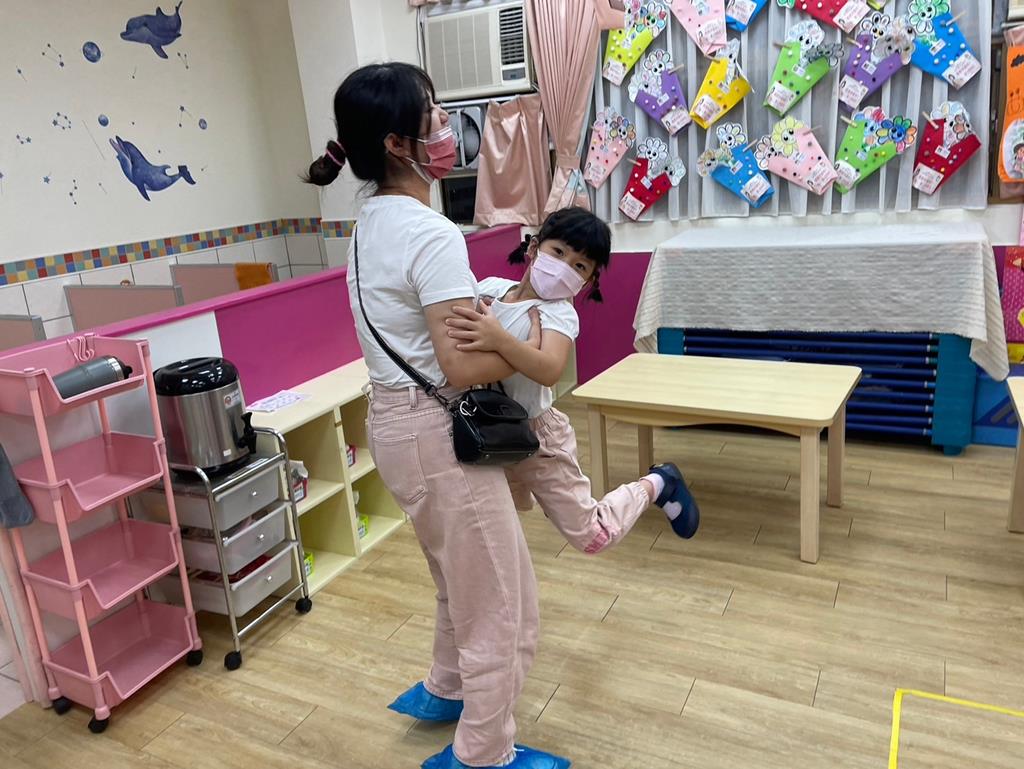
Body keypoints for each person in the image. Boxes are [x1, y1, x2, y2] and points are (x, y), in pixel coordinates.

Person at [304, 62, 565, 769]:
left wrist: (484, 322)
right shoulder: (430, 231)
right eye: (436, 116)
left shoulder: (368, 222)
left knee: (459, 578)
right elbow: (459, 366)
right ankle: (483, 752)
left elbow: (420, 331)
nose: (451, 127)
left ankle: (447, 687)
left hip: (393, 427)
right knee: (503, 604)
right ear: (397, 143)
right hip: (438, 432)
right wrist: (524, 345)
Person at [445, 207, 699, 555]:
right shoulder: (490, 289)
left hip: (539, 437)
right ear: (533, 247)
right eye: (558, 252)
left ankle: (659, 483)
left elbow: (549, 368)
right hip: (488, 427)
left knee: (592, 534)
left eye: (579, 266)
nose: (564, 267)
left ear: (587, 281)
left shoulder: (558, 313)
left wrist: (499, 339)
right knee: (494, 518)